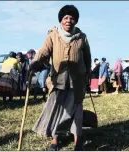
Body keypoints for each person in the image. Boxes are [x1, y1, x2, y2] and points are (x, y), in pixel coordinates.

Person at [30, 5, 91, 151]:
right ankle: (55, 139)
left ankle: (78, 141)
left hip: (77, 81)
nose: (68, 20)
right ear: (61, 20)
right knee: (55, 109)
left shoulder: (82, 37)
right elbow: (44, 51)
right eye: (65, 18)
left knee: (76, 111)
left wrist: (87, 75)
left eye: (72, 18)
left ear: (75, 21)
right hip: (58, 80)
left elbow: (87, 58)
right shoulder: (53, 35)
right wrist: (36, 62)